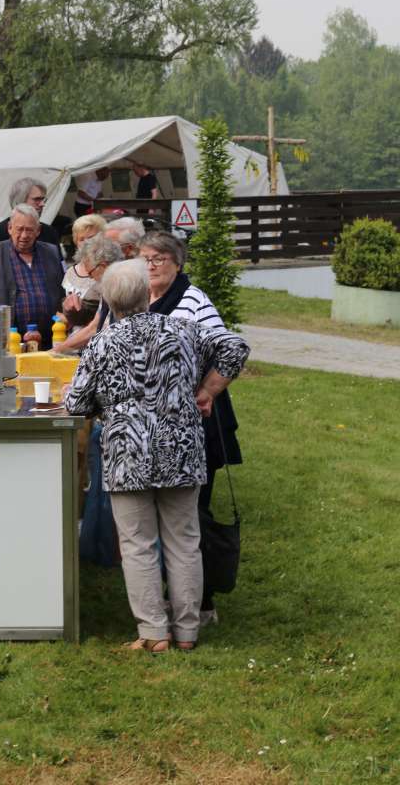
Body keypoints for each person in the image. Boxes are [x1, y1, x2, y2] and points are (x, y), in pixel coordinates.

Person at [64, 260, 249, 652]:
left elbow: (76, 402)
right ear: (144, 294)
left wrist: (105, 403)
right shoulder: (183, 330)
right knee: (184, 541)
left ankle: (152, 632)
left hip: (127, 451)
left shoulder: (103, 342)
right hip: (180, 448)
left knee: (138, 544)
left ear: (111, 301)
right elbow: (235, 346)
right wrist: (208, 391)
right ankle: (187, 632)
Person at [139, 230, 243, 624]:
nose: (150, 265)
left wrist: (208, 391)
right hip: (159, 424)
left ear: (177, 263)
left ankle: (202, 603)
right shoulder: (143, 297)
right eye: (145, 258)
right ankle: (177, 596)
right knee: (170, 513)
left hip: (199, 422)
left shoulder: (192, 299)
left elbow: (231, 348)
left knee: (194, 513)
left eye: (159, 258)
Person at [0, 204, 64, 349]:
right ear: (10, 228)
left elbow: (61, 294)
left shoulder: (51, 253)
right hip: (11, 342)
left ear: (38, 231)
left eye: (29, 230)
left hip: (51, 340)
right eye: (19, 229)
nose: (24, 235)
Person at [0, 178, 61, 250]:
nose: (42, 204)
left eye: (43, 199)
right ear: (20, 200)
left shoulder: (49, 232)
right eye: (37, 199)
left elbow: (59, 263)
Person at [62, 215, 109, 331]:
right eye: (81, 239)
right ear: (76, 242)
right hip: (71, 337)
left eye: (91, 238)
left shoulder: (107, 271)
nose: (86, 243)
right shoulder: (69, 272)